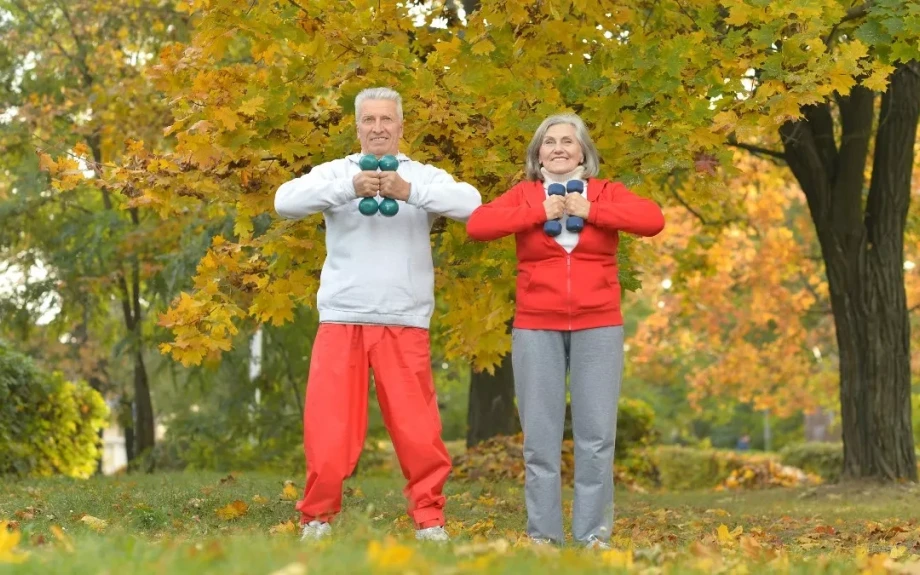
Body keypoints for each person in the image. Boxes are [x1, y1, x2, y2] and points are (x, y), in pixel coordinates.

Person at [273, 87, 482, 542]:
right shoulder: (337, 173)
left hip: (403, 318)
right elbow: (284, 201)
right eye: (369, 120)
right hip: (342, 316)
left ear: (402, 126)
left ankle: (429, 519)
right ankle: (317, 518)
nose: (378, 128)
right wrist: (347, 188)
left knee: (417, 430)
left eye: (387, 119)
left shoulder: (422, 175)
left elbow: (473, 205)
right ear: (357, 127)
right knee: (329, 429)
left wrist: (411, 192)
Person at [466, 113, 664, 549]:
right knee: (540, 440)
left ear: (583, 152)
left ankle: (593, 536)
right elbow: (478, 225)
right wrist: (538, 212)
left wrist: (590, 210)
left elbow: (652, 220)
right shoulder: (524, 195)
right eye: (549, 142)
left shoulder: (606, 192)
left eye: (567, 142)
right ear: (538, 155)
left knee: (596, 438)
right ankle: (543, 538)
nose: (558, 148)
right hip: (537, 325)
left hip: (599, 324)